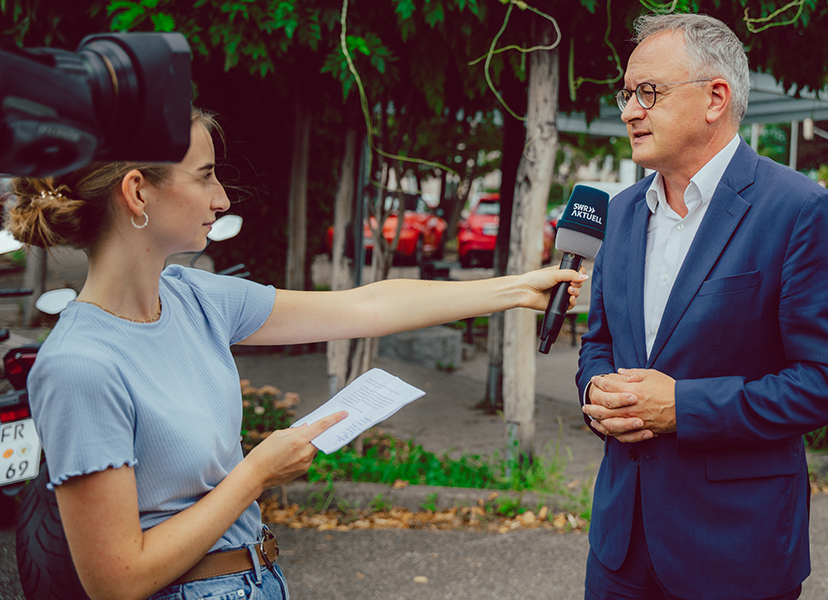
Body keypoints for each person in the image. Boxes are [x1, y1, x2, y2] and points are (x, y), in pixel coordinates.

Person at [8, 107, 586, 600]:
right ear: (137, 192)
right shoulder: (79, 365)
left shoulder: (193, 297)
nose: (222, 197)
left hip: (259, 578)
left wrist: (515, 290)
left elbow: (366, 307)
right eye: (205, 176)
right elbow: (117, 580)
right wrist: (257, 472)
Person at [576, 13, 828, 600]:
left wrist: (682, 406)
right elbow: (599, 342)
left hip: (735, 551)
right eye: (626, 93)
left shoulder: (802, 211)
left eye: (647, 92)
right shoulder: (623, 212)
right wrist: (596, 392)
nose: (629, 109)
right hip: (619, 549)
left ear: (715, 98)